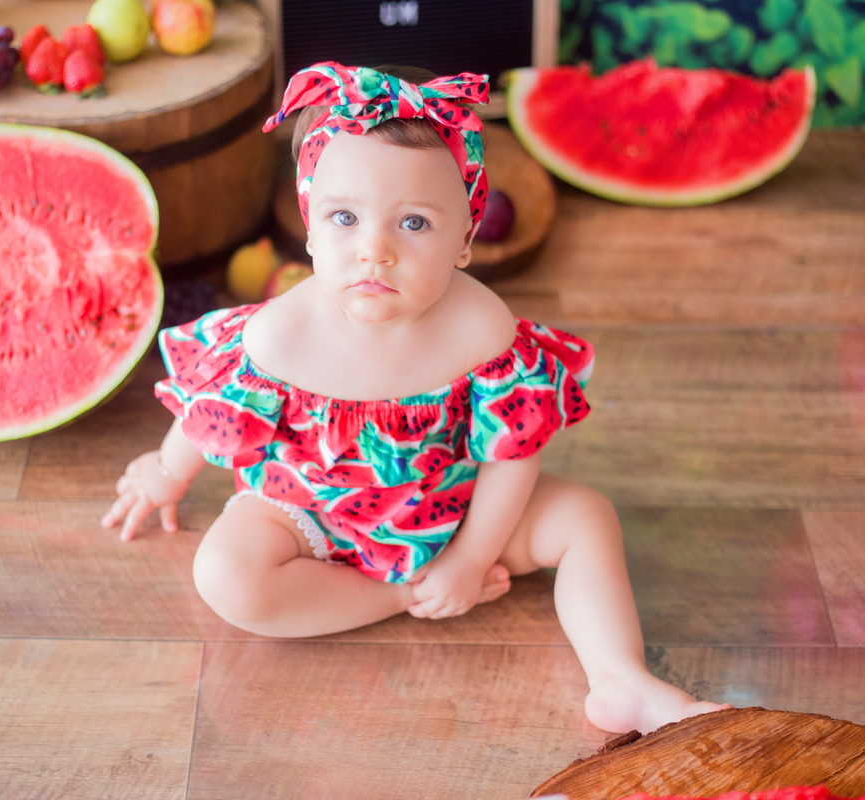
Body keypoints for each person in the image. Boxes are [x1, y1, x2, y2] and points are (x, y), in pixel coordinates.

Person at [102, 62, 730, 735]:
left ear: (465, 239)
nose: (375, 251)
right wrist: (167, 474)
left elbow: (514, 453)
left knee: (586, 518)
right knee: (226, 575)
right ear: (312, 229)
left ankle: (621, 678)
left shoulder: (483, 329)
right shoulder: (281, 333)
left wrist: (468, 558)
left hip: (459, 507)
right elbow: (215, 412)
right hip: (310, 514)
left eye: (414, 224)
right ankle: (394, 596)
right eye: (345, 217)